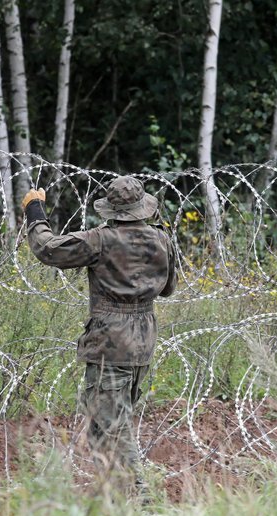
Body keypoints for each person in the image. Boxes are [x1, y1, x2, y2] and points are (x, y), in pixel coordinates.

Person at [22, 177, 177, 495]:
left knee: (111, 424)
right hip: (144, 336)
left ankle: (136, 495)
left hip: (110, 339)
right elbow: (169, 288)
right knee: (104, 420)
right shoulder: (163, 240)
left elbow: (48, 250)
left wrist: (34, 210)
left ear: (112, 210)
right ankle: (115, 492)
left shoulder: (100, 239)